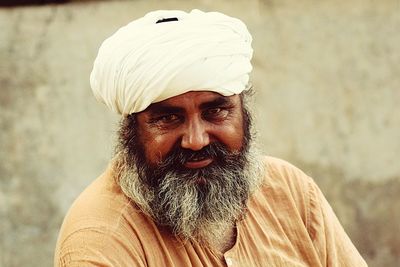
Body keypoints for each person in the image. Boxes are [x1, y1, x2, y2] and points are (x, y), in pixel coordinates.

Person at [54, 10, 367, 267]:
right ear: (132, 131)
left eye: (215, 111)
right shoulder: (100, 239)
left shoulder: (291, 191)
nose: (196, 140)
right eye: (167, 118)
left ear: (244, 113)